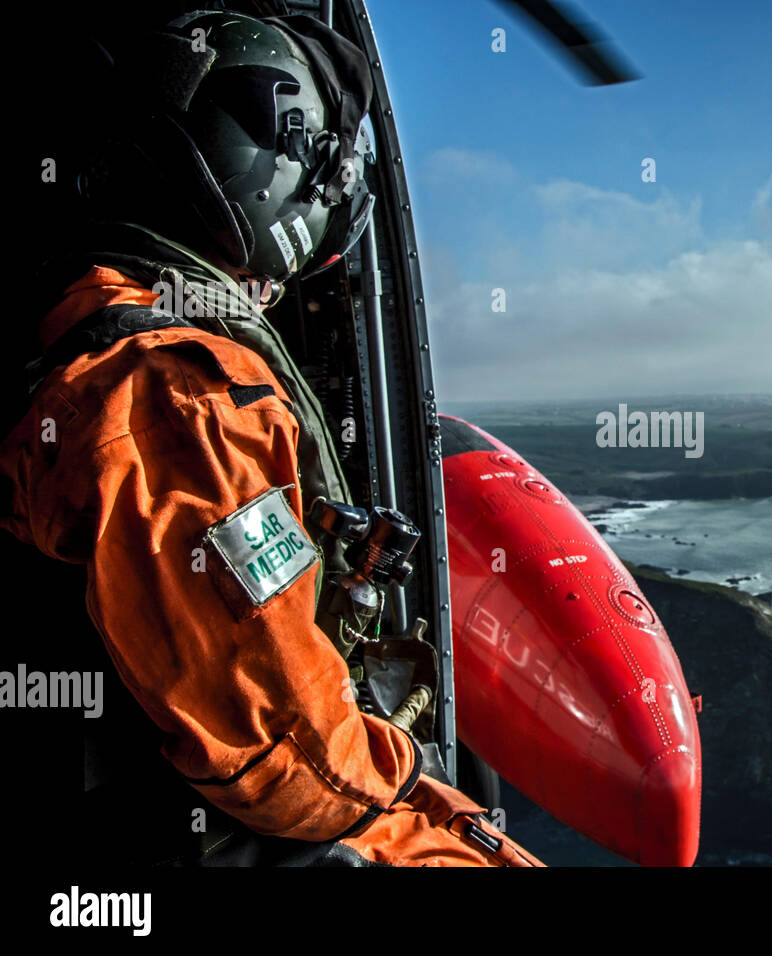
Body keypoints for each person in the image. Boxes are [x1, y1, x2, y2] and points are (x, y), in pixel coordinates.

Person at [0, 8, 540, 867]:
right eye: (325, 171)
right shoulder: (179, 394)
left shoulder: (109, 336)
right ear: (275, 165)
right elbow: (287, 756)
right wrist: (444, 816)